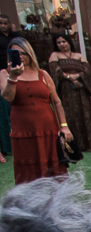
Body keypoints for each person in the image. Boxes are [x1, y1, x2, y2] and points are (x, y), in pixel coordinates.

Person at [0, 38, 70, 184]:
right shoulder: (4, 73)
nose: (19, 57)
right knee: (28, 168)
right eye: (15, 53)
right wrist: (13, 77)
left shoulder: (42, 74)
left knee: (54, 167)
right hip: (23, 131)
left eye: (22, 53)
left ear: (29, 54)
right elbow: (8, 97)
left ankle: (57, 202)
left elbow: (56, 102)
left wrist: (64, 126)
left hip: (48, 129)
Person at [47, 33, 91, 152]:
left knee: (85, 114)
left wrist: (78, 76)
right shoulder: (55, 55)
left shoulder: (79, 55)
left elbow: (87, 70)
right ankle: (73, 145)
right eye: (59, 43)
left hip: (81, 89)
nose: (62, 45)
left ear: (69, 42)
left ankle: (89, 144)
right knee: (69, 115)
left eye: (64, 42)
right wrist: (70, 78)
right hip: (66, 90)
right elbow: (55, 70)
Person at [0, 14, 15, 162]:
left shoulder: (14, 37)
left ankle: (7, 146)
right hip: (3, 73)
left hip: (9, 72)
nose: (3, 26)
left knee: (7, 114)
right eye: (0, 23)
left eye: (5, 23)